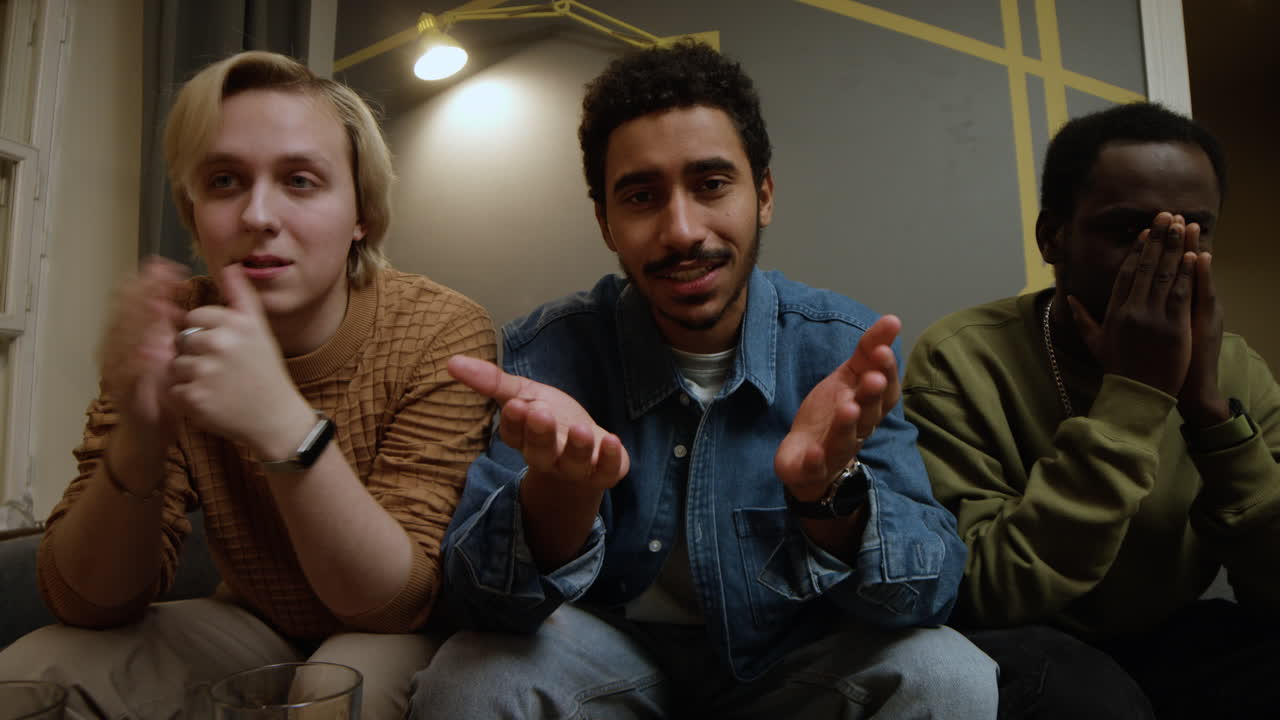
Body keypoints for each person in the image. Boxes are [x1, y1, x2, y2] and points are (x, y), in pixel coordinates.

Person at [409, 42, 996, 719]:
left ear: (764, 195)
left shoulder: (842, 348)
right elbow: (477, 604)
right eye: (641, 196)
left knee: (949, 673)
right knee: (470, 681)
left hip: (793, 665)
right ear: (605, 222)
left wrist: (829, 499)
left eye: (711, 185)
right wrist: (558, 495)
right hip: (607, 665)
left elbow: (932, 593)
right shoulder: (545, 356)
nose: (682, 230)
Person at [0, 51, 496, 719]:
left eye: (300, 180)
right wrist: (141, 437)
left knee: (337, 686)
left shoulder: (439, 330)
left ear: (361, 216)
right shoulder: (175, 325)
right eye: (226, 180)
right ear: (195, 213)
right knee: (34, 666)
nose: (258, 214)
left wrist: (283, 426)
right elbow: (86, 602)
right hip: (252, 619)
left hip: (400, 631)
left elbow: (395, 603)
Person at [903, 101, 1280, 719]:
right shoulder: (961, 359)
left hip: (1168, 636)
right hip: (1028, 647)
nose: (1164, 257)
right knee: (1081, 692)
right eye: (1129, 229)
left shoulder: (1236, 368)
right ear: (1054, 237)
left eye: (1193, 230)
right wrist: (1133, 396)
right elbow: (984, 592)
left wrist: (1210, 412)